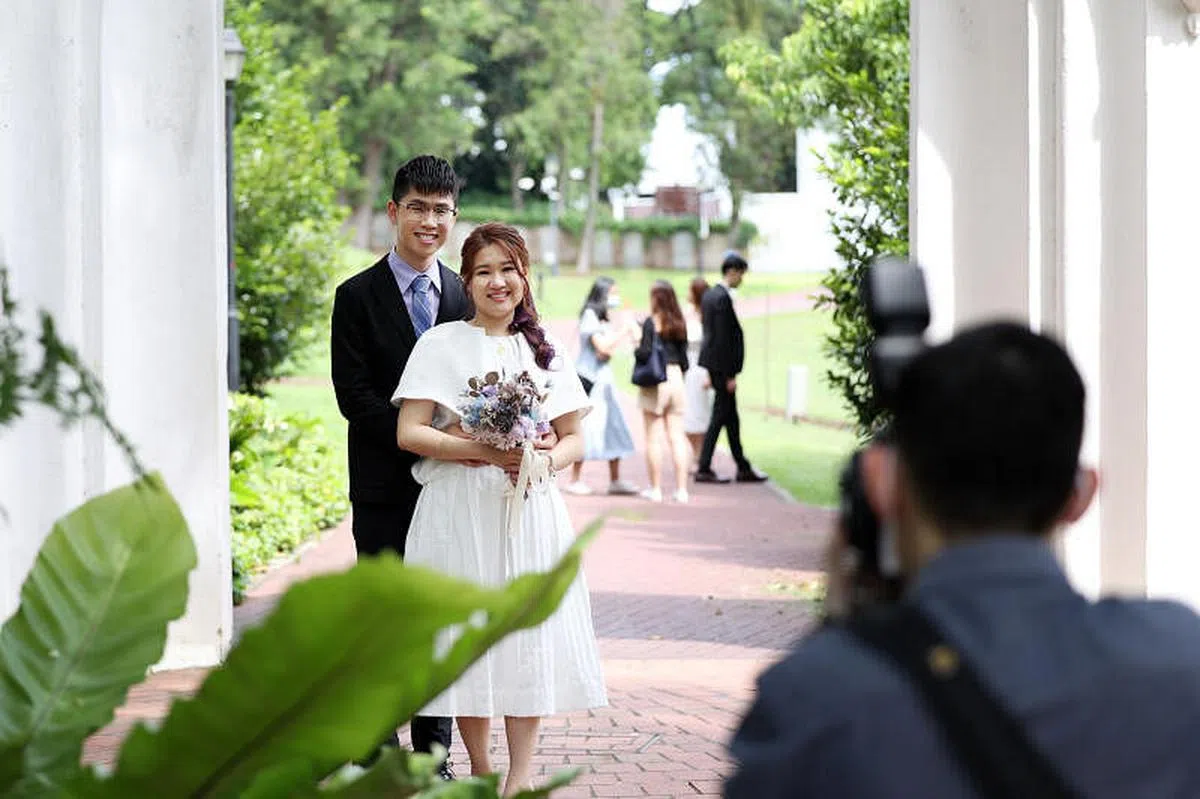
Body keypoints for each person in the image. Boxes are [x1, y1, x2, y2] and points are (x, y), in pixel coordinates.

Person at [726, 322, 1200, 798]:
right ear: (1079, 496)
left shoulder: (815, 697)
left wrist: (844, 608)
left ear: (882, 484)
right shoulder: (1178, 659)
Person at [393, 223, 607, 796]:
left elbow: (575, 440)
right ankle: (483, 767)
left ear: (524, 277)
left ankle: (518, 778)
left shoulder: (546, 351)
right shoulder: (439, 344)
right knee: (469, 639)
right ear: (467, 281)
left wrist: (542, 458)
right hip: (456, 513)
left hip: (529, 515)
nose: (498, 281)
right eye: (484, 271)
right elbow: (409, 431)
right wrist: (479, 449)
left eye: (508, 269)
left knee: (524, 640)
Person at [330, 154, 466, 772]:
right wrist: (422, 435)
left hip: (452, 492)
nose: (429, 221)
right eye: (418, 208)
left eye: (441, 211)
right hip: (383, 489)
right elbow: (354, 398)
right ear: (394, 212)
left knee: (437, 620)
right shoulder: (355, 297)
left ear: (453, 216)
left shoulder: (467, 295)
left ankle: (434, 753)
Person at [565, 277, 640, 497]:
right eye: (612, 293)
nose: (614, 298)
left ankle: (615, 479)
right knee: (587, 427)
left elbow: (608, 350)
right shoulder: (589, 315)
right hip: (591, 380)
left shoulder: (603, 318)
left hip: (605, 381)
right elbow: (602, 347)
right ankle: (575, 478)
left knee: (612, 426)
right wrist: (624, 331)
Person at [695, 252, 767, 484]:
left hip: (714, 364)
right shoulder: (722, 299)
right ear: (732, 271)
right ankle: (704, 466)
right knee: (719, 417)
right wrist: (730, 374)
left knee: (730, 418)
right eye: (741, 274)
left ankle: (742, 466)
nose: (741, 279)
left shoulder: (709, 296)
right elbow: (724, 339)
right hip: (723, 367)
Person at [635, 281, 694, 504]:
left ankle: (656, 488)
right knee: (677, 436)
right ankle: (681, 490)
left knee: (653, 438)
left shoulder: (652, 323)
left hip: (657, 380)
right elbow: (685, 359)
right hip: (677, 377)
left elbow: (644, 353)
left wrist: (636, 343)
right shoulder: (679, 322)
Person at [681, 276, 713, 469]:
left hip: (702, 368)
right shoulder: (686, 314)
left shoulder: (708, 316)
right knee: (688, 414)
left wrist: (710, 373)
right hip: (688, 367)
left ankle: (700, 456)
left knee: (701, 414)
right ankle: (696, 453)